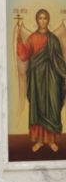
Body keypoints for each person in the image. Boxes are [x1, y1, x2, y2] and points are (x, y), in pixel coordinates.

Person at [17, 8, 66, 152]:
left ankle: (51, 141)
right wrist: (18, 38)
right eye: (40, 18)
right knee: (38, 108)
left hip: (52, 79)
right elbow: (24, 55)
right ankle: (39, 140)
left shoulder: (53, 39)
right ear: (37, 20)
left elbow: (59, 60)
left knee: (52, 108)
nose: (43, 21)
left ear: (48, 20)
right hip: (37, 79)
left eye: (45, 18)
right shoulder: (32, 38)